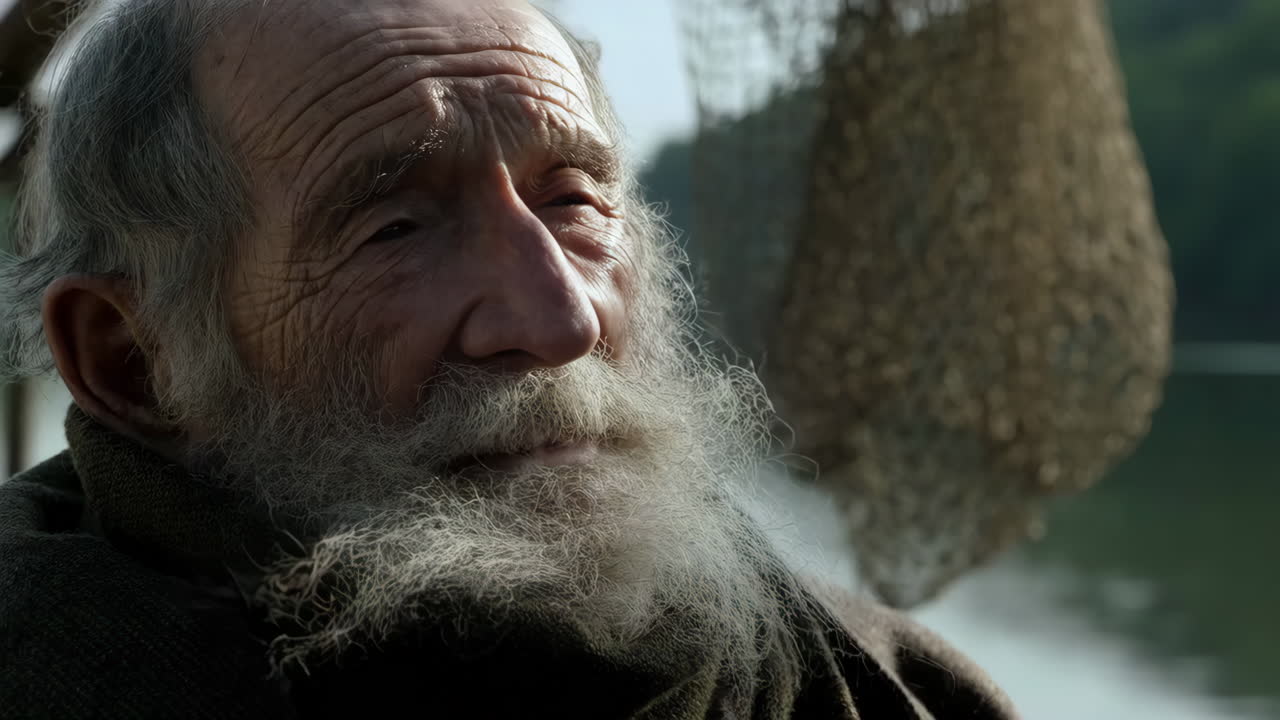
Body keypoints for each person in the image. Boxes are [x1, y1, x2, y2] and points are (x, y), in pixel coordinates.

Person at [0, 0, 1018, 717]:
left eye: (572, 199)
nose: (562, 322)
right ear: (134, 363)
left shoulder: (902, 692)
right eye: (394, 228)